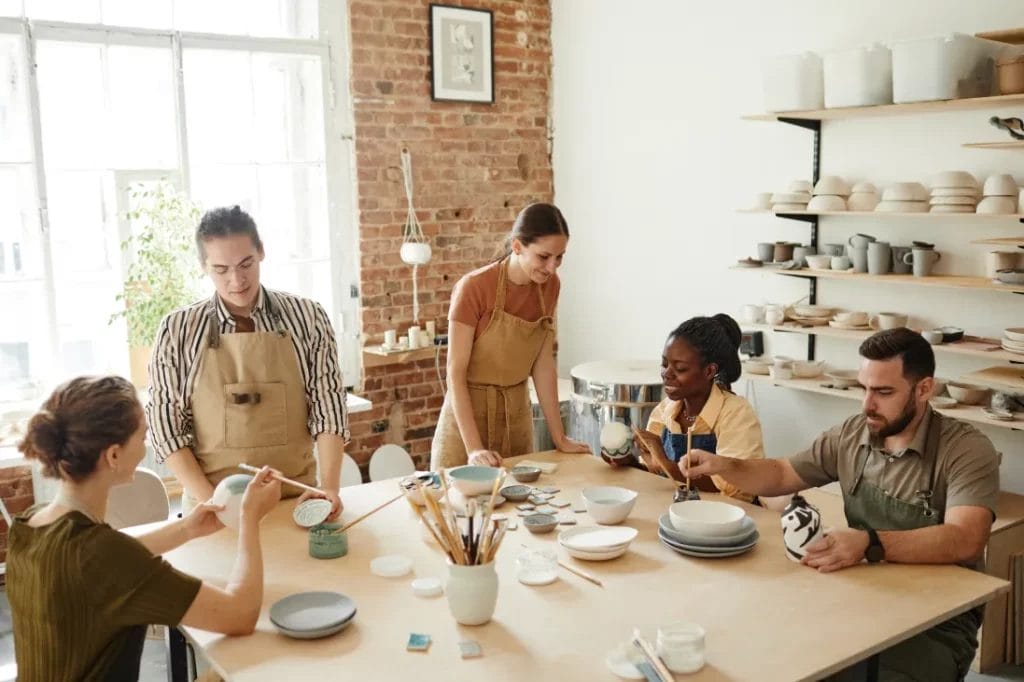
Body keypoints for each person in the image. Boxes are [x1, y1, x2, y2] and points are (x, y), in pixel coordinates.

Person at [684, 328, 1000, 681]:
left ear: (924, 389)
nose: (867, 404)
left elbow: (967, 537)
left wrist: (869, 543)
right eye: (863, 388)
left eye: (883, 392)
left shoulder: (966, 450)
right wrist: (726, 465)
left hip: (936, 621)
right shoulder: (854, 434)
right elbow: (782, 473)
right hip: (858, 595)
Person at [9, 375, 281, 682]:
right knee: (245, 662)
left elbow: (106, 561)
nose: (146, 444)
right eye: (143, 435)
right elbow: (241, 615)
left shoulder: (28, 527)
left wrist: (187, 530)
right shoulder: (104, 556)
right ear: (113, 455)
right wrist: (248, 518)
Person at [147, 206, 349, 517]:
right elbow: (166, 428)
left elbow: (328, 406)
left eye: (246, 264)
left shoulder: (309, 318)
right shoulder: (177, 330)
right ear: (203, 266)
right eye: (221, 269)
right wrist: (214, 505)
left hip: (296, 501)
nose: (237, 280)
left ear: (262, 252)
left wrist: (330, 487)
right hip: (212, 505)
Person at [430, 203, 590, 470]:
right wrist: (474, 449)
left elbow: (542, 364)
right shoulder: (473, 288)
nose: (552, 267)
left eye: (560, 257)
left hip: (516, 416)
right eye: (543, 257)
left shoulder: (550, 287)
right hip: (466, 421)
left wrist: (559, 437)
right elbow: (454, 374)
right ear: (517, 247)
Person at [625, 315, 766, 503]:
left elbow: (735, 487)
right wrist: (628, 463)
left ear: (709, 371)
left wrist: (666, 464)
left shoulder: (737, 414)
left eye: (680, 368)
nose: (667, 374)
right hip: (674, 512)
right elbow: (656, 473)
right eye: (665, 364)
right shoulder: (664, 410)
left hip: (724, 519)